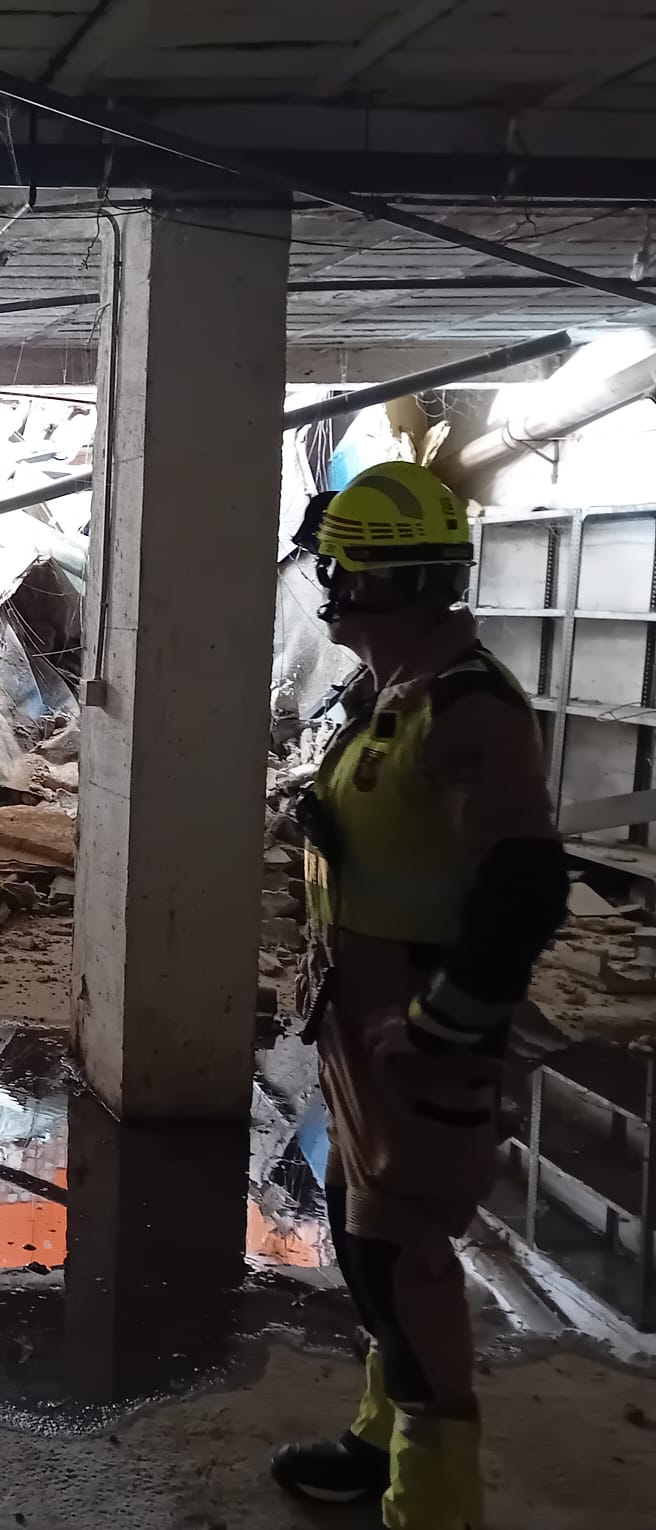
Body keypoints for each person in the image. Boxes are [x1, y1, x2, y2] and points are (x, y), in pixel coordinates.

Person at [272, 461, 567, 1530]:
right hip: (361, 1020)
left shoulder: (466, 708)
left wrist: (444, 1024)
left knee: (402, 1261)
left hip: (415, 1035)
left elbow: (527, 884)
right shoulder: (398, 690)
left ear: (381, 584)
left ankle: (433, 1502)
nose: (330, 589)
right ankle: (377, 1438)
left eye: (340, 569)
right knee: (365, 1236)